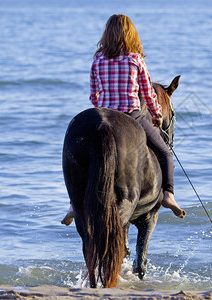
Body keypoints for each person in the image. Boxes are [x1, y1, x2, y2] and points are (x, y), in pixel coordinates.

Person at [61, 14, 185, 226]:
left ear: (106, 35)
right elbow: (147, 93)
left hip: (105, 115)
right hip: (132, 115)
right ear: (131, 34)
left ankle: (74, 204)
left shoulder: (98, 59)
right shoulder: (136, 59)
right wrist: (155, 114)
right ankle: (168, 195)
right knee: (165, 152)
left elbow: (93, 96)